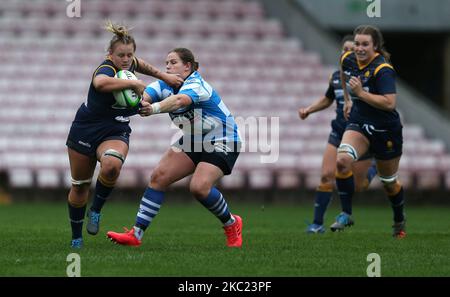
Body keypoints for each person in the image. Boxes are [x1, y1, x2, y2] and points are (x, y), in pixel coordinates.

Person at [106, 48, 243, 248]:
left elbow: (179, 100)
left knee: (199, 188)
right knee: (159, 177)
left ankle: (232, 223)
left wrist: (152, 109)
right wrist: (135, 99)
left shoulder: (196, 84)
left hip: (223, 138)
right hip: (194, 138)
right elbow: (146, 96)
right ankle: (136, 235)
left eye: (173, 62)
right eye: (166, 63)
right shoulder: (165, 84)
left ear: (187, 66)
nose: (168, 66)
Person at [66, 21, 184, 249]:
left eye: (130, 55)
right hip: (86, 128)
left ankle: (96, 211)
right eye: (121, 55)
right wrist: (138, 85)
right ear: (110, 54)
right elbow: (99, 83)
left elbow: (143, 66)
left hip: (115, 128)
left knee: (111, 166)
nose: (126, 59)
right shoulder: (107, 69)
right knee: (80, 186)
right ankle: (76, 237)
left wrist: (165, 77)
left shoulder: (130, 64)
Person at [299, 35, 377, 234]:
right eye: (344, 49)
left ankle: (372, 169)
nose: (346, 53)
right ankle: (317, 225)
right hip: (339, 131)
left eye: (351, 50)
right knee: (326, 175)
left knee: (359, 186)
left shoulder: (368, 76)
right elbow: (327, 99)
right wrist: (309, 109)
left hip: (360, 134)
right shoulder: (335, 76)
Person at [337, 25, 406, 238]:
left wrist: (360, 93)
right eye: (357, 43)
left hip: (386, 130)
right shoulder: (347, 58)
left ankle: (399, 220)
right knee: (342, 161)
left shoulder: (382, 69)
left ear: (375, 46)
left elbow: (389, 103)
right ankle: (346, 214)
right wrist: (348, 100)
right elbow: (343, 73)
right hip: (359, 123)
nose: (359, 48)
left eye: (365, 44)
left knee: (389, 184)